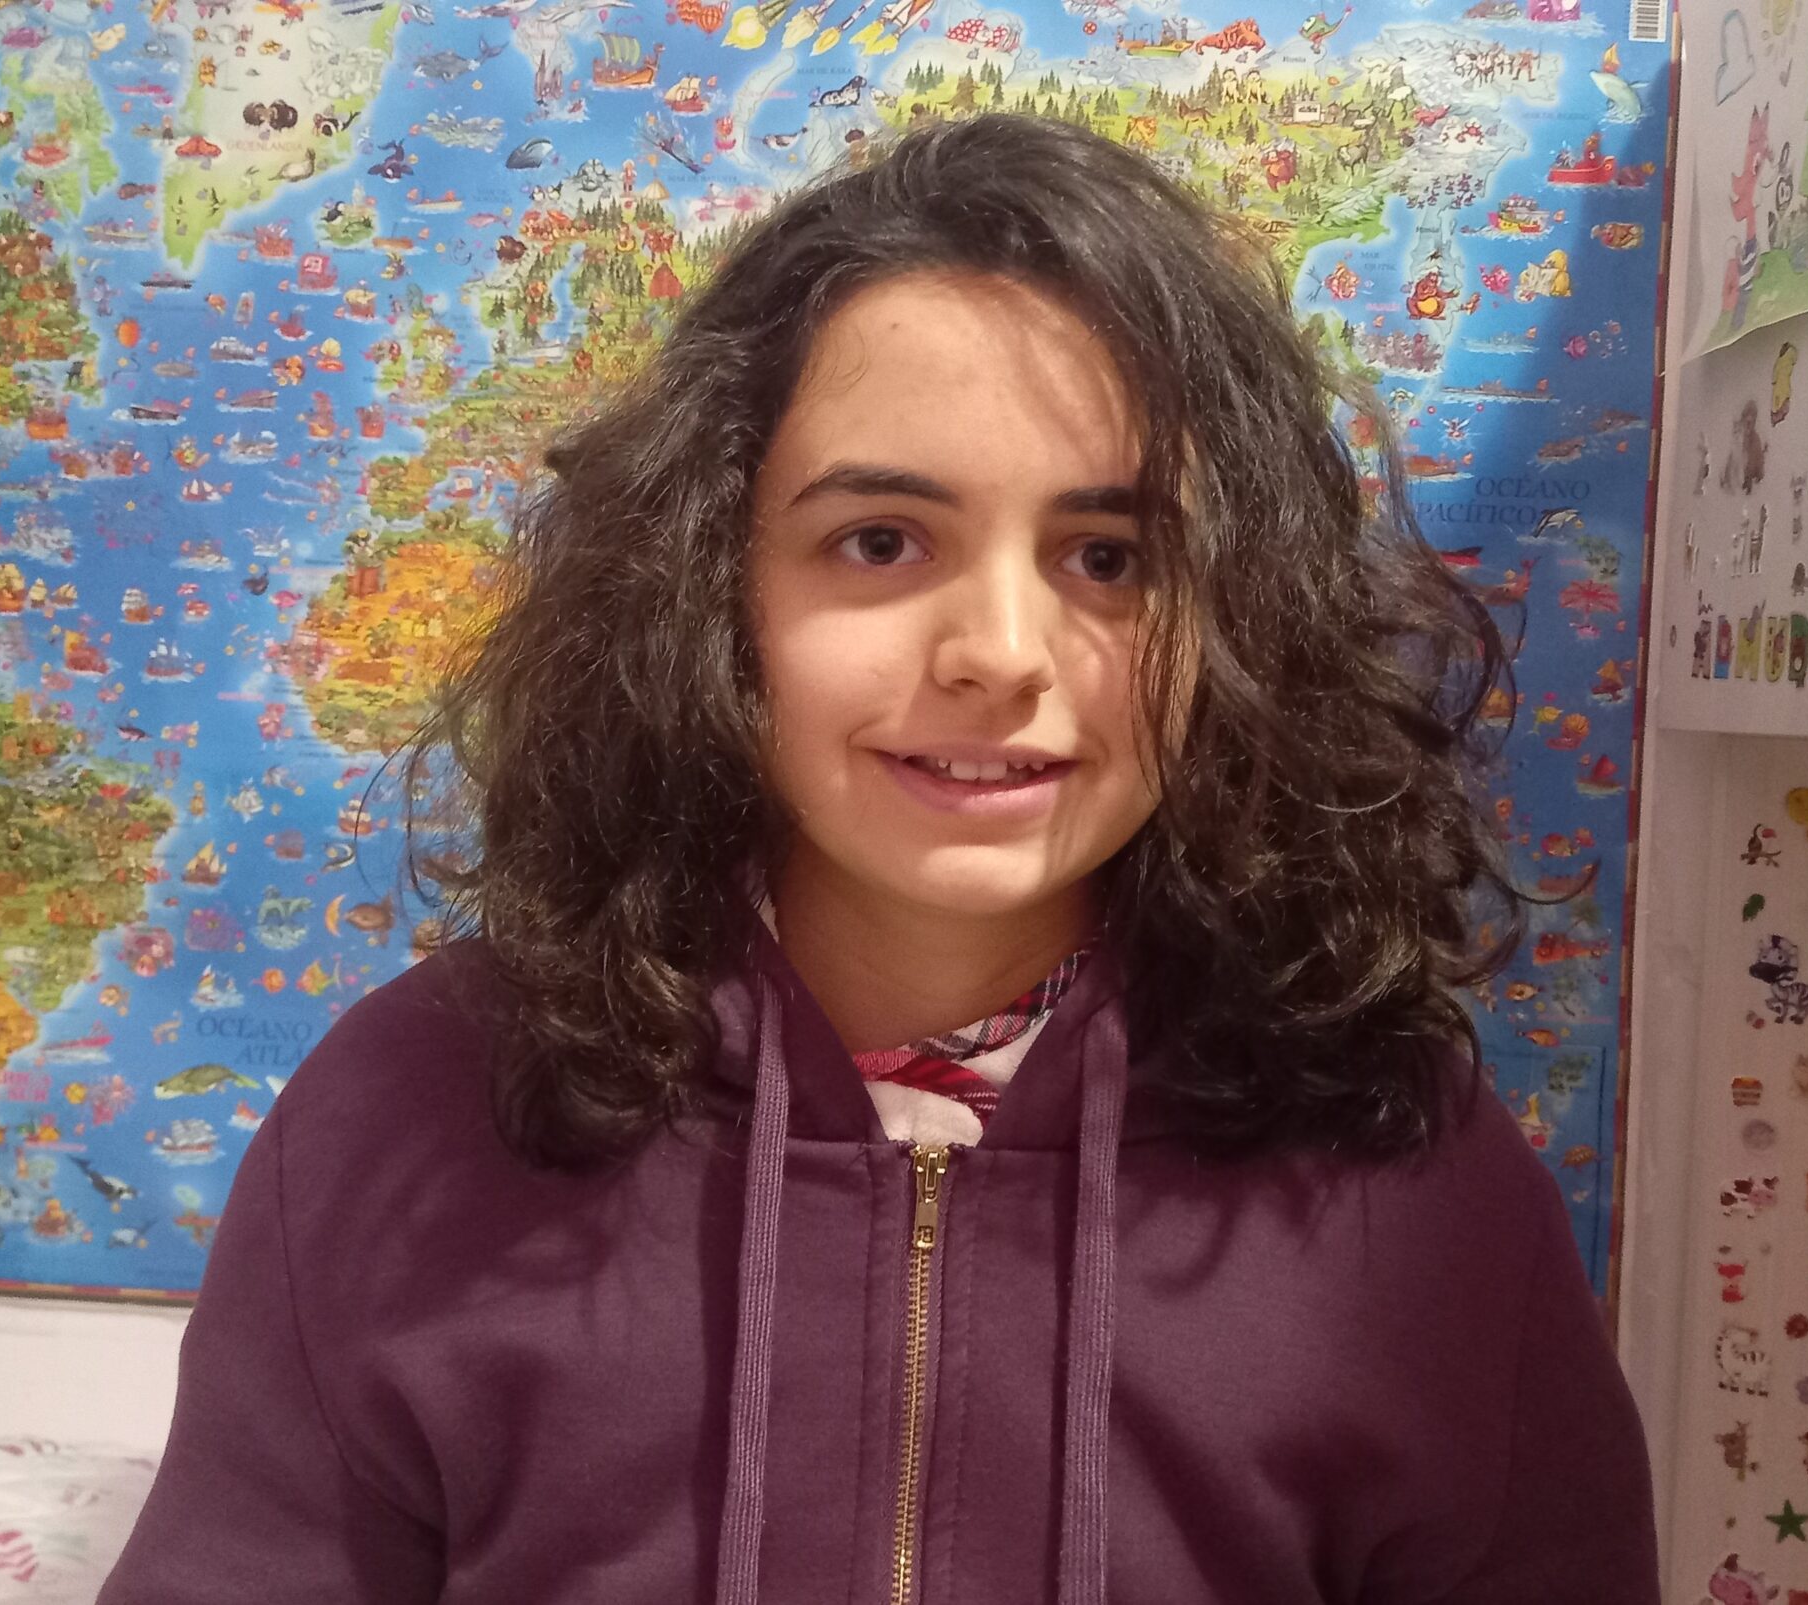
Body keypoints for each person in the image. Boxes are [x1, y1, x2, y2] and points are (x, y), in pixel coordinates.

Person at [99, 112, 1659, 1604]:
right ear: (716, 582)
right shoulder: (410, 1114)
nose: (999, 651)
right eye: (882, 540)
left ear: (1233, 615)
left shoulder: (1410, 1182)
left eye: (1109, 557)